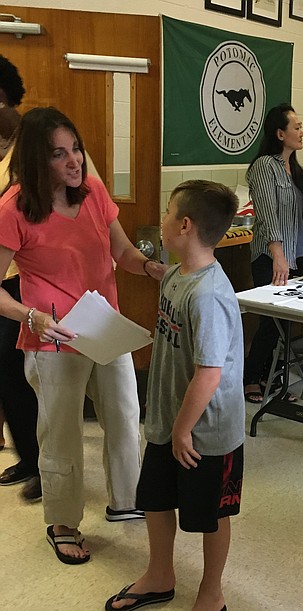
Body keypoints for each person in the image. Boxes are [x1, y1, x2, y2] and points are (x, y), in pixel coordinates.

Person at [0, 107, 166, 564]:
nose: (75, 161)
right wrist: (29, 316)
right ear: (36, 159)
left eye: (76, 149)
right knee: (62, 434)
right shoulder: (13, 208)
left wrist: (150, 267)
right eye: (59, 154)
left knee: (124, 415)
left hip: (103, 327)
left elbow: (124, 253)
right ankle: (62, 522)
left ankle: (127, 502)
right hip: (52, 335)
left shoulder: (91, 192)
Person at [107, 180, 244, 611]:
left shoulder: (209, 295)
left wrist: (184, 430)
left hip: (205, 432)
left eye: (167, 213)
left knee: (210, 515)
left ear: (184, 225)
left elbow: (208, 373)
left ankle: (212, 593)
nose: (162, 221)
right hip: (169, 419)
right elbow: (173, 323)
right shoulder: (176, 275)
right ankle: (159, 575)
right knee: (157, 499)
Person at [243, 104, 303, 404]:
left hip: (297, 256)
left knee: (288, 322)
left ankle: (273, 378)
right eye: (297, 127)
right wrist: (278, 255)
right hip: (272, 258)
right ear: (280, 134)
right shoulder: (265, 166)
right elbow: (266, 213)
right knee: (270, 322)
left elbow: (301, 217)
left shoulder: (296, 170)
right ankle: (251, 378)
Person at [0, 54, 41, 501]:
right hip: (3, 272)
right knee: (6, 372)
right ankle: (29, 457)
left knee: (19, 369)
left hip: (23, 275)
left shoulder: (30, 143)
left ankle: (43, 463)